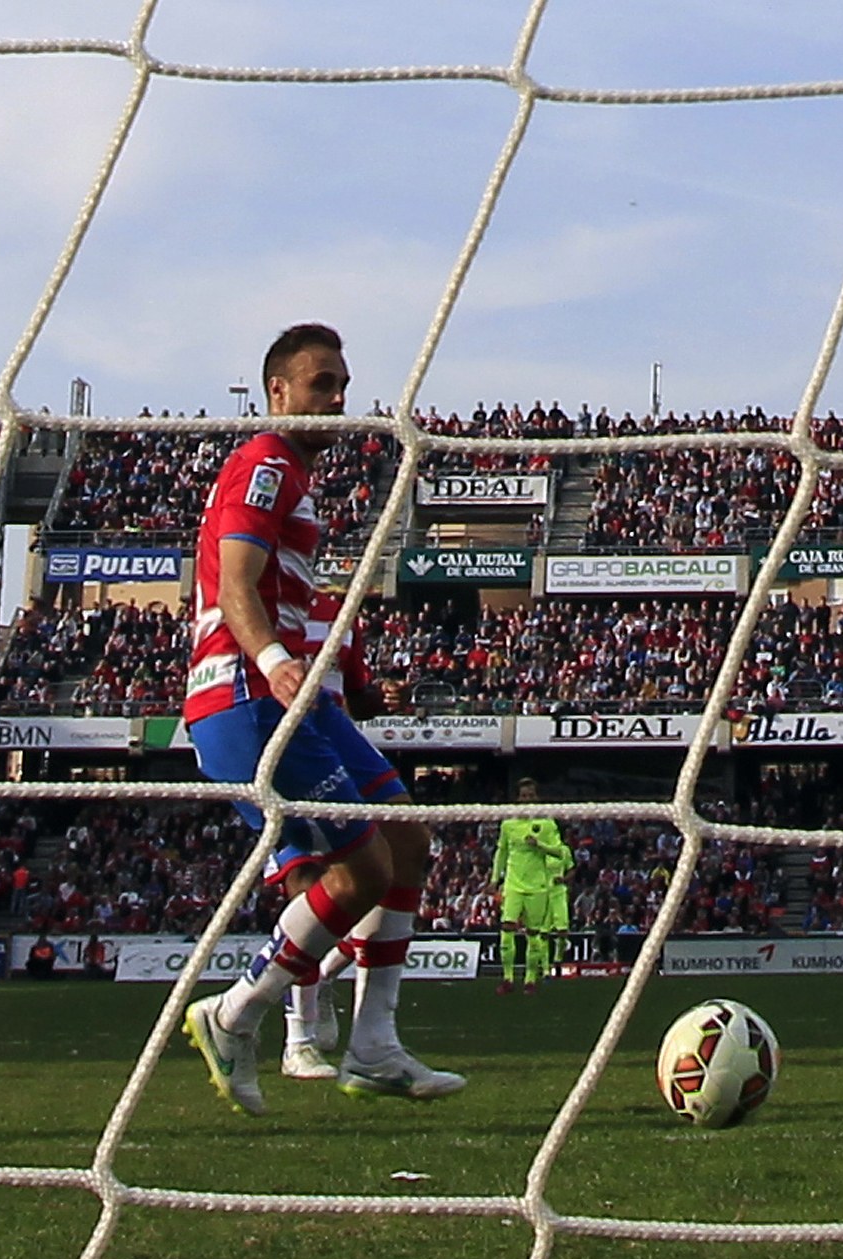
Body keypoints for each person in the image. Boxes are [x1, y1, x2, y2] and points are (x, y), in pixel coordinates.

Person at [181, 323, 464, 1115]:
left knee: (406, 838)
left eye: (342, 385)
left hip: (296, 701)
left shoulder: (293, 479)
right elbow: (237, 584)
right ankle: (237, 1015)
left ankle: (372, 1045)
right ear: (278, 392)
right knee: (359, 868)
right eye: (320, 384)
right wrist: (275, 664)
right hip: (246, 696)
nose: (338, 400)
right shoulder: (266, 462)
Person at [274, 588, 400, 1081]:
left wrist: (381, 695)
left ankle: (320, 975)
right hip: (281, 758)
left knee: (372, 888)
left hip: (337, 759)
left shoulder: (341, 613)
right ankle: (297, 1042)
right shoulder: (264, 602)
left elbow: (356, 696)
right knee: (304, 885)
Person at [493, 778, 570, 994]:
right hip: (513, 884)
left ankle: (530, 979)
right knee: (507, 928)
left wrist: (540, 845)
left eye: (530, 796)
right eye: (523, 796)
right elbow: (502, 853)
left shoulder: (546, 824)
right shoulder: (509, 824)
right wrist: (493, 879)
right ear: (518, 798)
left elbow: (560, 852)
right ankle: (507, 978)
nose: (527, 799)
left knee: (533, 933)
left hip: (538, 886)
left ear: (537, 798)